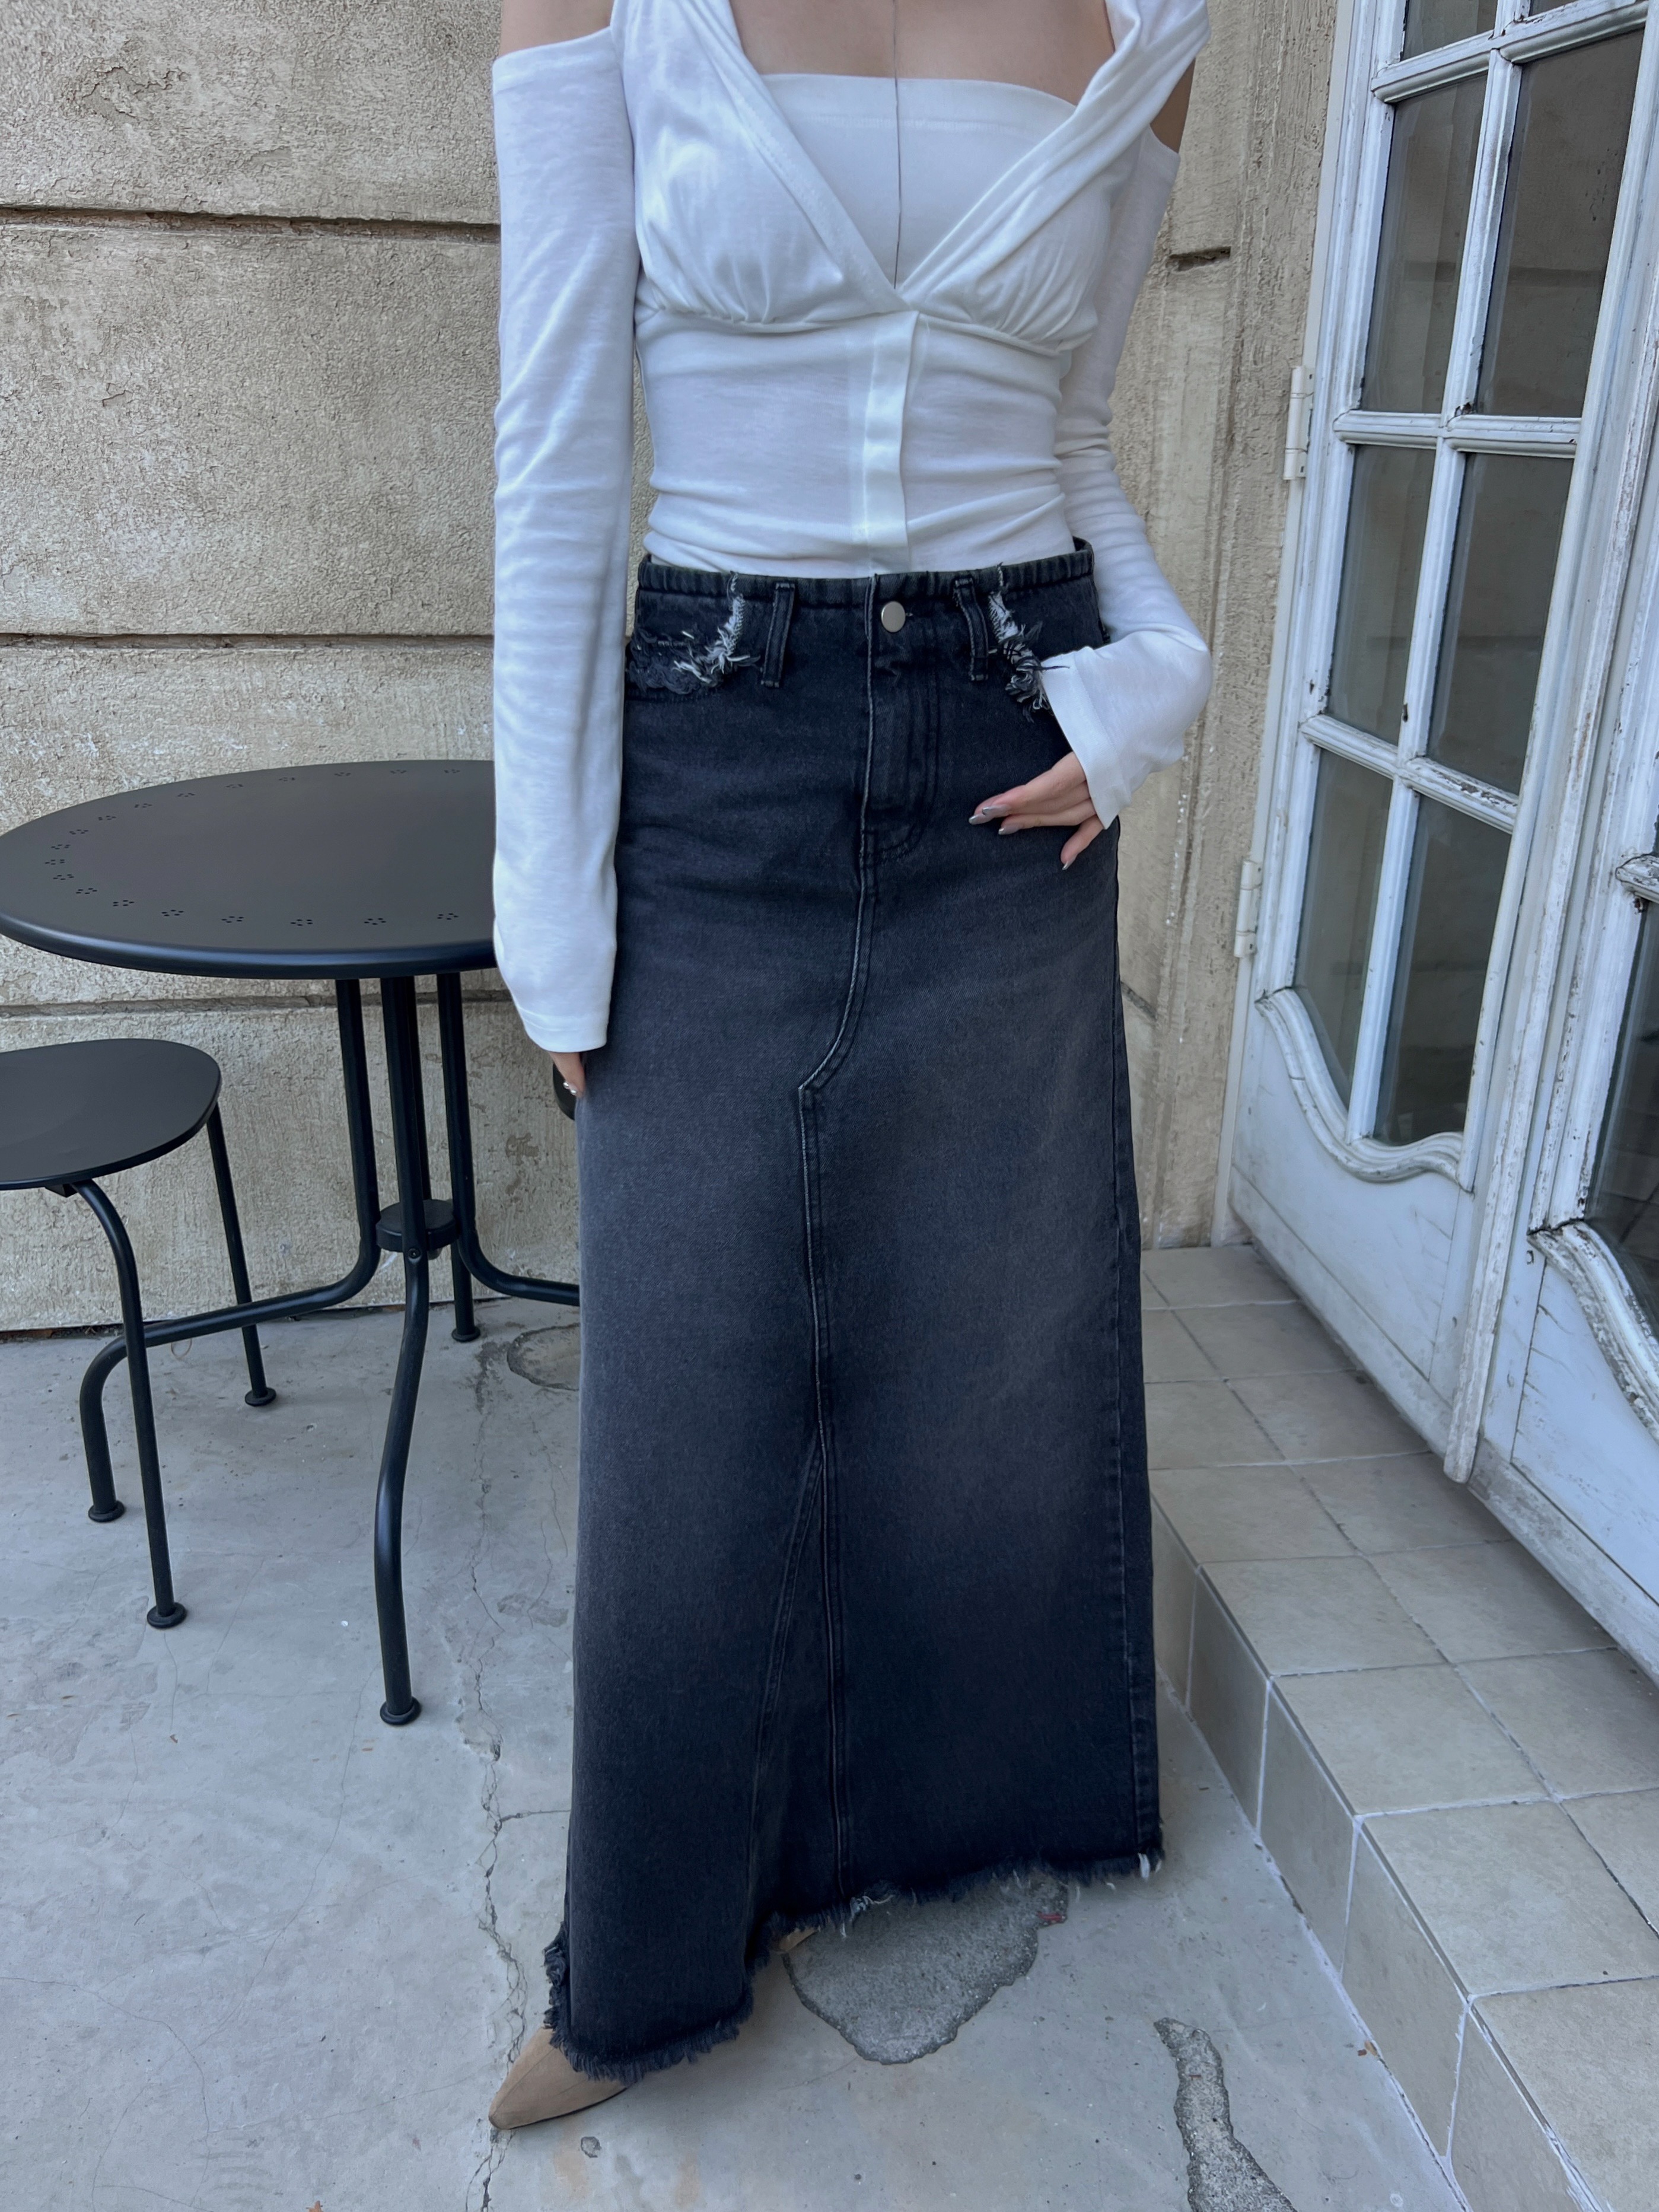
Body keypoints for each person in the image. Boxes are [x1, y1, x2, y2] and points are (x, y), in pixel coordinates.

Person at [486, 0, 1211, 2129]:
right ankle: (642, 1964)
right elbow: (558, 446)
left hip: (1009, 735)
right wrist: (553, 912)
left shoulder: (1149, 23)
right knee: (686, 1374)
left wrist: (1156, 692)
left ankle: (937, 1823)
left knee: (991, 1325)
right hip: (718, 730)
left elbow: (1078, 437)